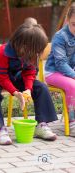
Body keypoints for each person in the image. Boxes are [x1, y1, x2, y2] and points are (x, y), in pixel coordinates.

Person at [0, 23, 58, 145]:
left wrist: (28, 89)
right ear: (24, 45)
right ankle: (0, 129)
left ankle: (41, 124)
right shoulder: (2, 52)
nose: (36, 54)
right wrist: (15, 92)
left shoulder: (30, 54)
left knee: (41, 87)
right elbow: (2, 78)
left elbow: (29, 73)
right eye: (35, 50)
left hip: (15, 76)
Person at [45, 6, 75, 136]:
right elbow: (61, 64)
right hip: (53, 73)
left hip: (69, 72)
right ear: (67, 20)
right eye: (74, 24)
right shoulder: (60, 36)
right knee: (73, 85)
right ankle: (72, 122)